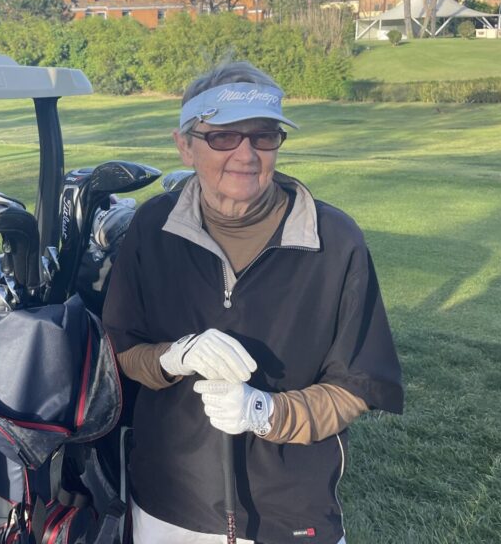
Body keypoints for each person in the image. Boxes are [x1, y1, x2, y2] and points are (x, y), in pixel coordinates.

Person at [103, 61, 403, 544]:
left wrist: (265, 412)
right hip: (167, 500)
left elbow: (357, 386)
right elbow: (122, 348)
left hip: (289, 512)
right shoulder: (152, 226)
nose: (246, 154)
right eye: (223, 137)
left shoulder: (335, 240)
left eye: (263, 136)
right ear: (185, 145)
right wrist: (174, 356)